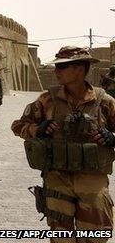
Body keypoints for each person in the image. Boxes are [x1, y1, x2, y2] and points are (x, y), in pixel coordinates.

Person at [11, 46, 115, 241]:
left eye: (63, 67)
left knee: (95, 237)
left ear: (80, 70)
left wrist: (111, 137)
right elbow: (18, 126)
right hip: (57, 180)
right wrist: (38, 129)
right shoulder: (47, 100)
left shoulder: (104, 102)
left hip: (92, 181)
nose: (56, 71)